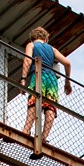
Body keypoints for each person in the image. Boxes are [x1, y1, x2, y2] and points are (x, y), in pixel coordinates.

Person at [20, 27, 71, 159]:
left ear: (32, 37)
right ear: (46, 38)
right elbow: (67, 63)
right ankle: (43, 138)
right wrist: (67, 82)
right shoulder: (52, 49)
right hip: (52, 79)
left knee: (34, 101)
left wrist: (23, 78)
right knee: (50, 108)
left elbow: (27, 60)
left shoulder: (31, 45)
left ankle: (26, 131)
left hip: (39, 75)